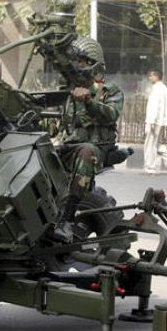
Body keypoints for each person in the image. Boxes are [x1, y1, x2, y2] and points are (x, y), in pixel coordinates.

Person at [51, 36, 124, 242]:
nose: (77, 66)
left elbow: (111, 114)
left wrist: (89, 101)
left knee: (86, 152)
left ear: (93, 64)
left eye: (81, 61)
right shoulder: (68, 92)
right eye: (76, 61)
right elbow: (55, 126)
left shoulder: (109, 90)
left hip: (96, 150)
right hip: (69, 147)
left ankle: (66, 219)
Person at [143, 69, 167, 175]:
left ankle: (150, 168)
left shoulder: (156, 89)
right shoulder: (165, 90)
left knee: (149, 145)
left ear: (156, 77)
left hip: (154, 121)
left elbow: (154, 106)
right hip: (161, 121)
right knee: (155, 144)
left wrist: (152, 121)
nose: (149, 78)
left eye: (151, 76)